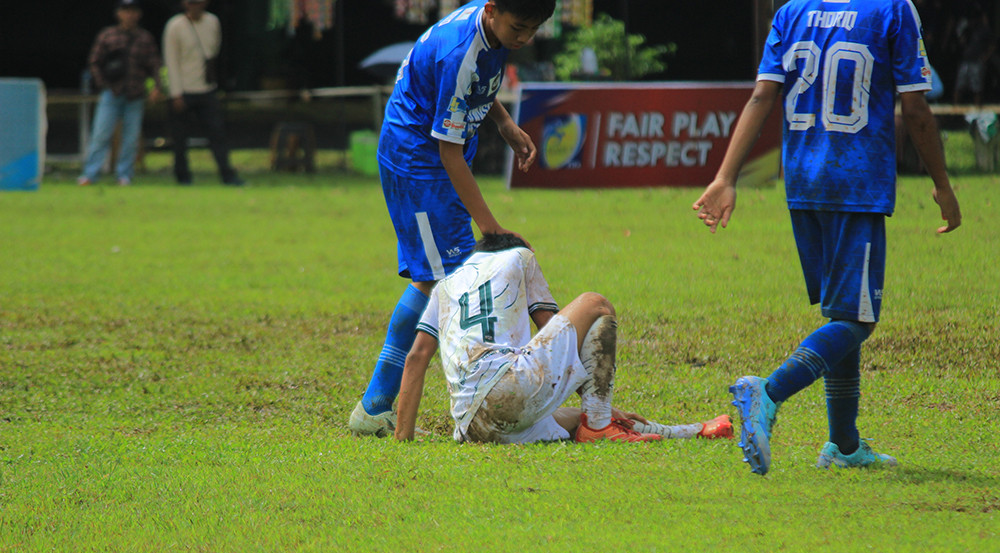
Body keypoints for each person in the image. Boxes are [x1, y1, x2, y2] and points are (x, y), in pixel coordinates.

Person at [692, 0, 962, 475]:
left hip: (803, 183)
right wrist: (941, 183)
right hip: (856, 185)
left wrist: (726, 176)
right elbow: (915, 107)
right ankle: (769, 392)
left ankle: (843, 444)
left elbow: (761, 97)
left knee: (842, 311)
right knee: (859, 320)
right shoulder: (893, 10)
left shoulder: (791, 11)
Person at [349, 0, 557, 436]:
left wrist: (501, 121)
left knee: (446, 275)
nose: (523, 38)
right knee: (442, 278)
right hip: (418, 163)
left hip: (436, 160)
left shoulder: (491, 25)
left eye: (533, 31)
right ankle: (375, 407)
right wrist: (492, 230)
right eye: (519, 27)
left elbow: (473, 84)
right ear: (494, 10)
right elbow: (450, 151)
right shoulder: (459, 50)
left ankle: (381, 406)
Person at [394, 233, 734, 444]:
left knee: (577, 418)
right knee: (595, 303)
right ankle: (600, 424)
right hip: (509, 389)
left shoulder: (445, 286)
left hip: (475, 427)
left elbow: (416, 358)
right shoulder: (519, 255)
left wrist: (402, 440)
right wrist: (592, 392)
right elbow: (552, 327)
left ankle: (689, 430)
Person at [78, 0, 163, 187]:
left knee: (131, 138)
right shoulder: (107, 35)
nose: (129, 15)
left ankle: (124, 175)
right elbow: (94, 62)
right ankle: (90, 174)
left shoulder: (144, 38)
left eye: (133, 11)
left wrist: (157, 86)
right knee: (101, 134)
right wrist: (102, 84)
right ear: (118, 13)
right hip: (111, 94)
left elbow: (154, 65)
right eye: (125, 11)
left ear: (139, 14)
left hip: (135, 94)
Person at [162, 0, 243, 185]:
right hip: (183, 90)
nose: (194, 6)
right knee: (180, 138)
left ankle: (227, 174)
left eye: (198, 2)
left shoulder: (213, 22)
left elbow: (215, 50)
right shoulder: (174, 26)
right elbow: (171, 61)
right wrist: (175, 93)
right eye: (191, 3)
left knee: (218, 133)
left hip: (207, 89)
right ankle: (182, 176)